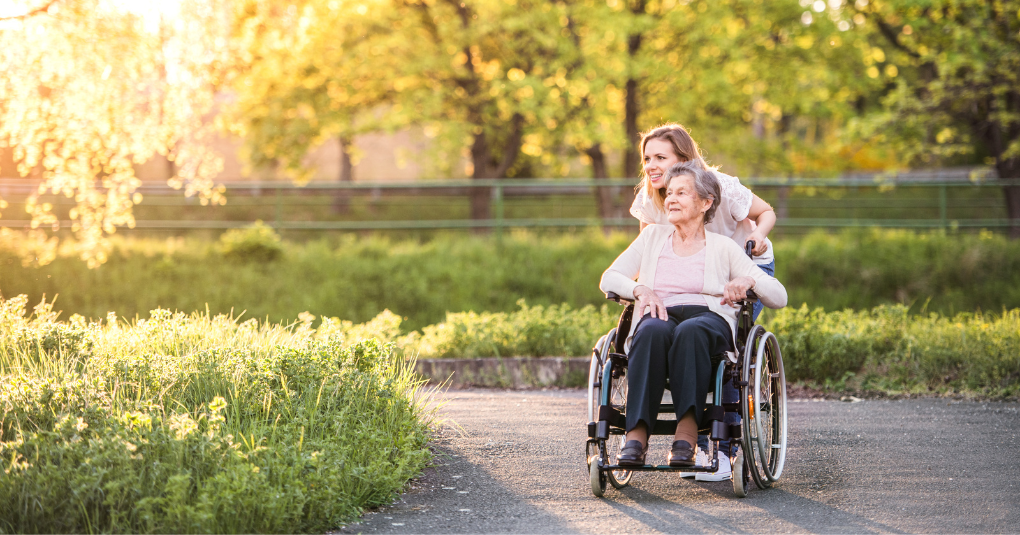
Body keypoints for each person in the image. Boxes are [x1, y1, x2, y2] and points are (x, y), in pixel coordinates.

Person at [599, 160, 787, 470]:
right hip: (660, 313)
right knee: (650, 331)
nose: (670, 198)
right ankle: (636, 434)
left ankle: (685, 434)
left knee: (692, 331)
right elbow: (609, 277)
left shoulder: (724, 247)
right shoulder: (652, 238)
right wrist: (640, 290)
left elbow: (779, 296)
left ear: (705, 202)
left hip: (708, 319)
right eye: (669, 193)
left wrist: (749, 280)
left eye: (682, 193)